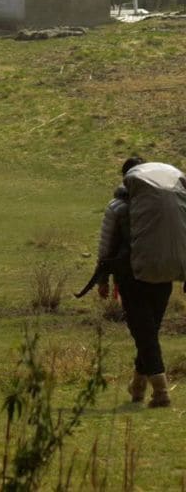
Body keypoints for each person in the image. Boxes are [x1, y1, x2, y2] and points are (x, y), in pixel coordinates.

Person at [90, 157, 175, 407]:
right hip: (164, 275)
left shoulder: (117, 206)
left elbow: (105, 248)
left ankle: (161, 392)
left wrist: (102, 279)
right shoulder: (167, 206)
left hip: (132, 278)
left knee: (144, 334)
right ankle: (137, 387)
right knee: (147, 332)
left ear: (126, 178)